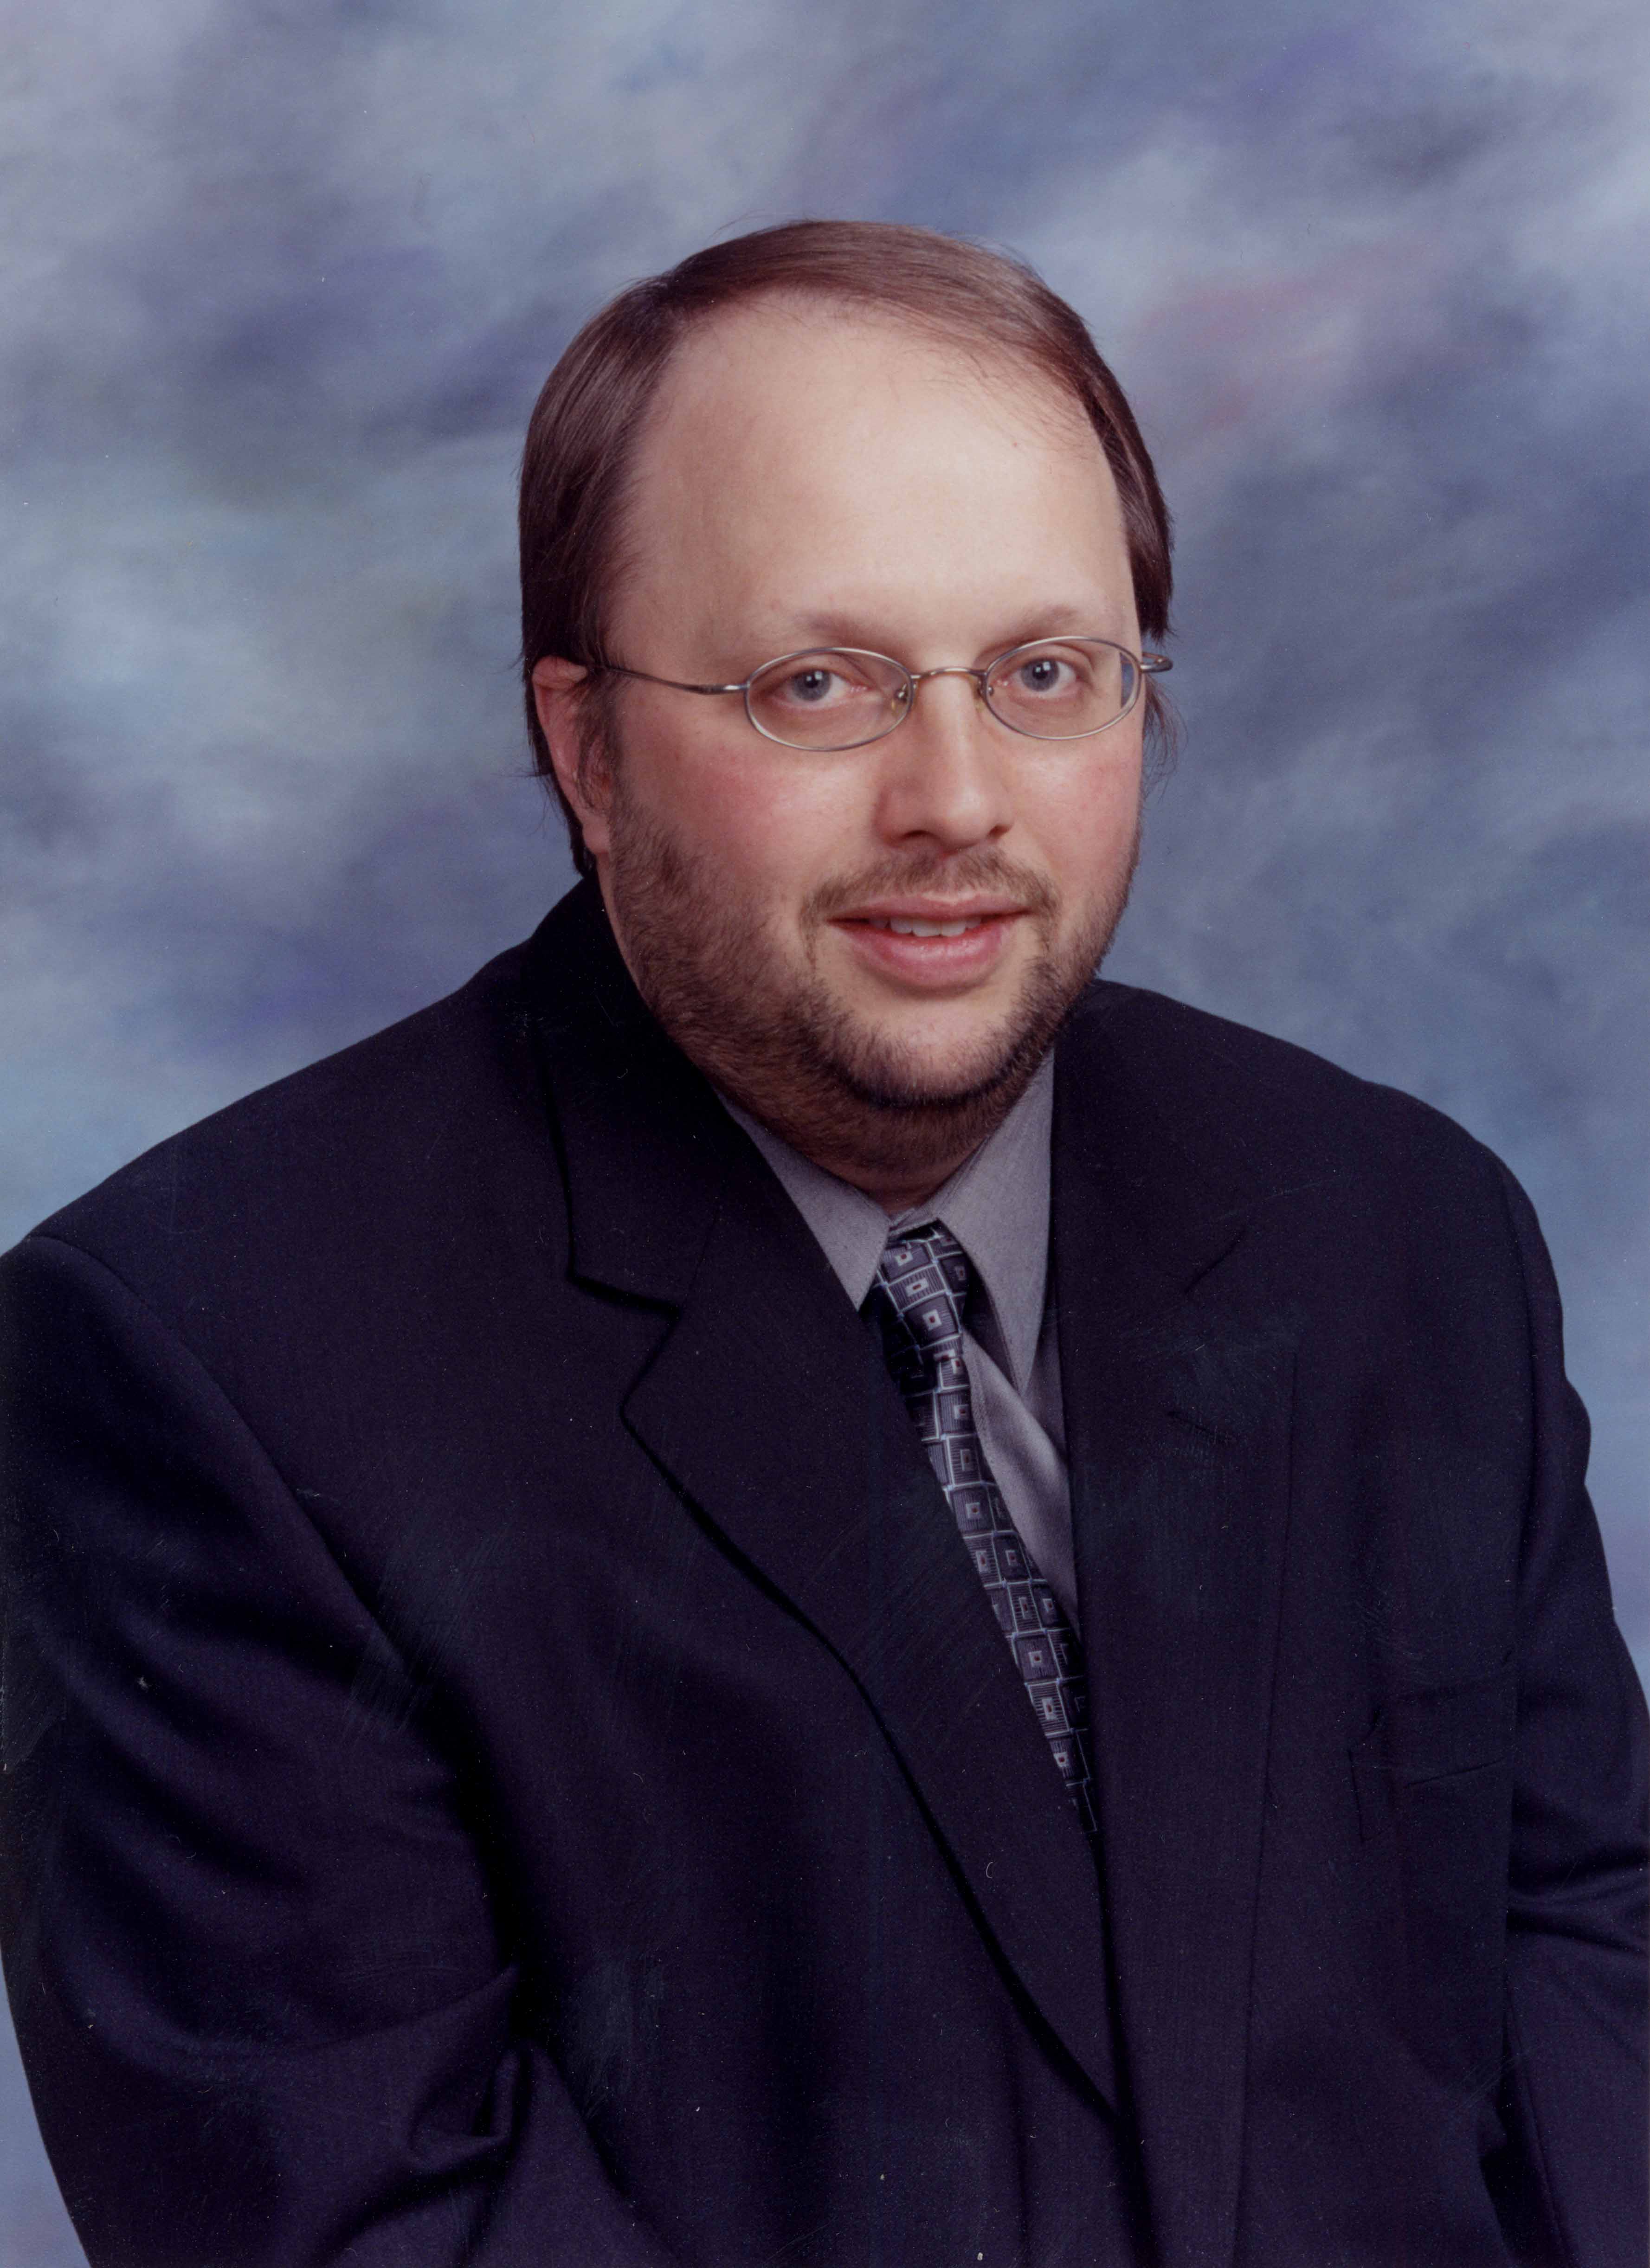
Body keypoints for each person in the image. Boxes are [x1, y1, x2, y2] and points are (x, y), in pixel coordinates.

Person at [0, 220, 1643, 2268]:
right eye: (817, 687)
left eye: (1044, 675)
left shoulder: (1401, 1231)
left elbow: (1587, 1959)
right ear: (586, 749)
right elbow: (373, 2217)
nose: (954, 799)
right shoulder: (203, 1365)